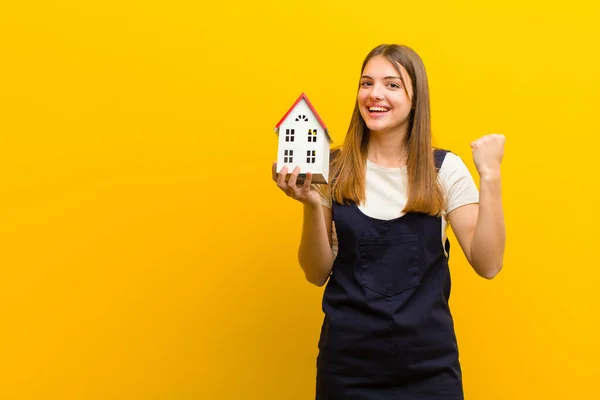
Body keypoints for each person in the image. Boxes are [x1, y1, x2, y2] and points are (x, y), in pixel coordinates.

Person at [272, 44, 506, 400]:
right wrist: (308, 204)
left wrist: (490, 176)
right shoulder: (332, 169)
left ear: (417, 97)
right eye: (366, 83)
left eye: (392, 84)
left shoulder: (444, 170)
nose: (374, 94)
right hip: (347, 370)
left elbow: (488, 263)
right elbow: (316, 272)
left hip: (429, 371)